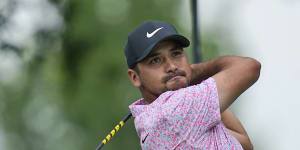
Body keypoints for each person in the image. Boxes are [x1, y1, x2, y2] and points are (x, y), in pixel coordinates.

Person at [124, 20, 260, 150]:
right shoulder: (173, 111)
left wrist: (192, 83)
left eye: (176, 53)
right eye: (155, 60)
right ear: (135, 77)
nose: (172, 66)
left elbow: (244, 143)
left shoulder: (150, 121)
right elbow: (249, 67)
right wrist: (197, 71)